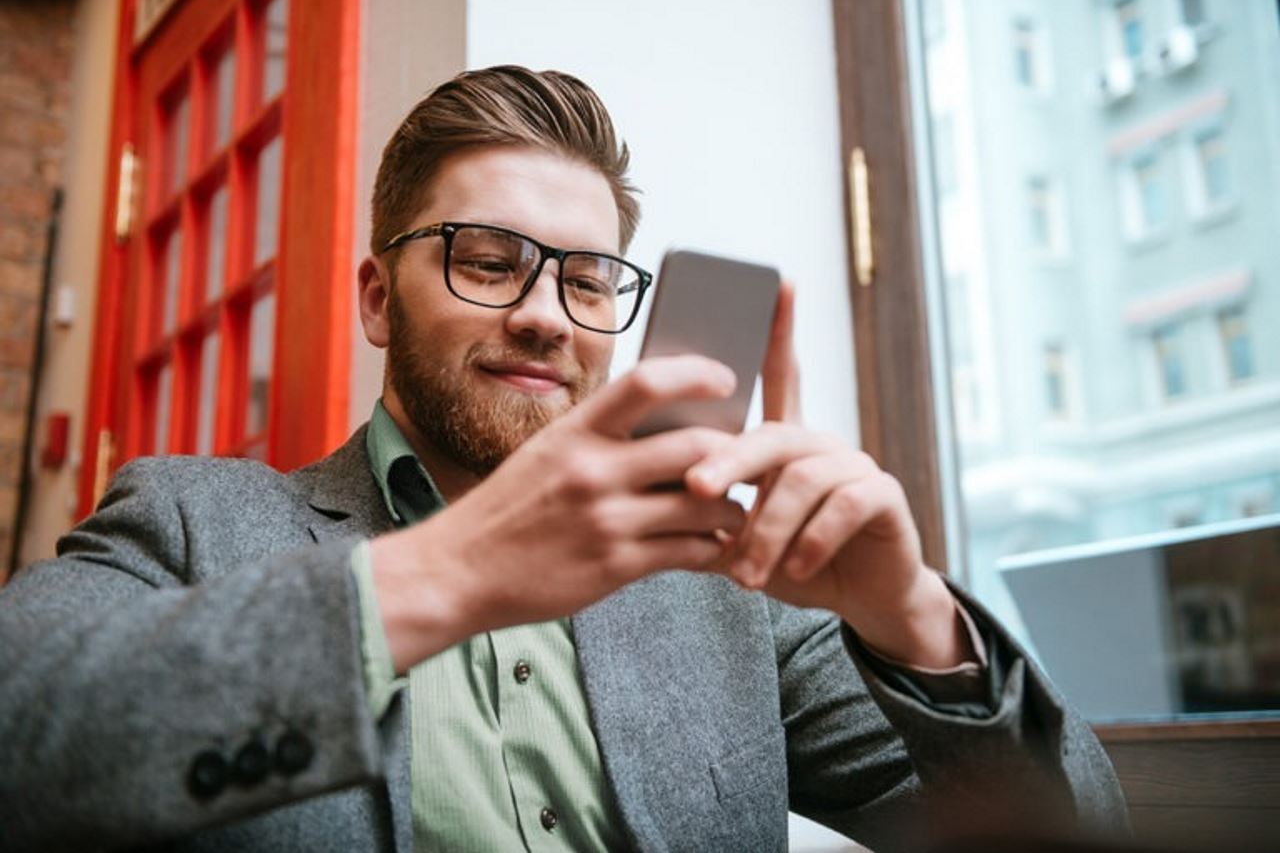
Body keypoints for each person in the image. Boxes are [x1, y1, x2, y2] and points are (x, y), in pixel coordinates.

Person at [0, 65, 1126, 853]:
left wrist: (913, 622)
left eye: (587, 280)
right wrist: (449, 575)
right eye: (487, 260)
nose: (547, 315)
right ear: (376, 299)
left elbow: (1074, 826)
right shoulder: (194, 518)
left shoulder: (724, 594)